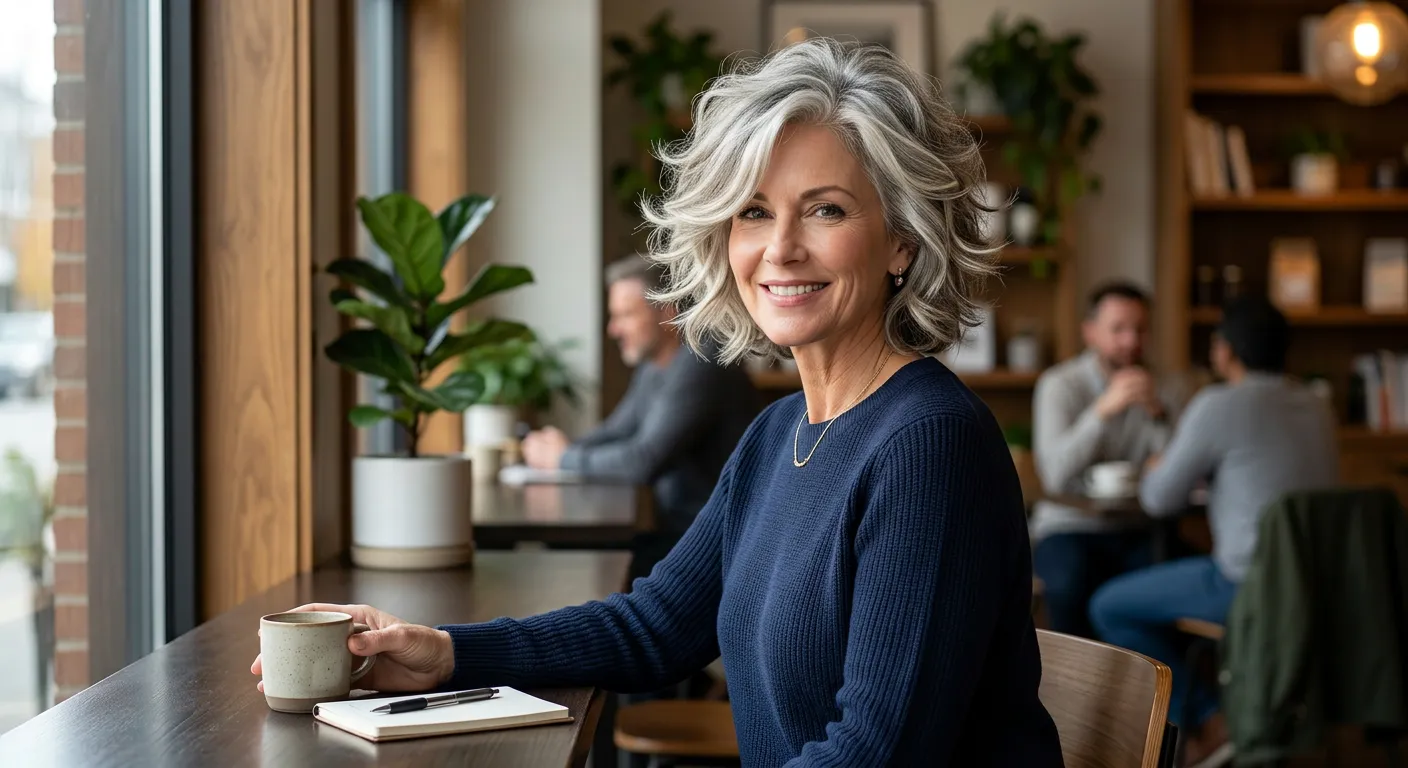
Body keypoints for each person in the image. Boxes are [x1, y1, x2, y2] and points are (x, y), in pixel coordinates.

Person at [252, 39, 1062, 765]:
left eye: (826, 209)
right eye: (752, 212)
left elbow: (876, 751)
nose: (779, 248)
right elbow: (654, 629)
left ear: (901, 241)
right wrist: (442, 651)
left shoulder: (929, 443)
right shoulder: (782, 431)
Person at [1089, 297, 1338, 764]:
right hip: (1322, 585)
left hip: (1249, 585)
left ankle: (1209, 718)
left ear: (1224, 351)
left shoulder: (1219, 403)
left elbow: (1158, 498)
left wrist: (1159, 466)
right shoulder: (1317, 403)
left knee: (1109, 606)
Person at [520, 254, 759, 580]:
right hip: (673, 527)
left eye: (626, 315)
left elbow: (643, 460)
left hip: (707, 543)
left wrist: (564, 458)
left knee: (565, 556)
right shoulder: (655, 363)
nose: (613, 329)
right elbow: (617, 430)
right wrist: (557, 448)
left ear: (666, 312)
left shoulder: (702, 361)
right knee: (559, 550)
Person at [1031, 283, 1184, 637]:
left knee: (1168, 582)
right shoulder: (1060, 385)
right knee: (1069, 581)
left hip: (1138, 527)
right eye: (1118, 329)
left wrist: (1157, 415)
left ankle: (1150, 688)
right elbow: (1054, 475)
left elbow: (1176, 472)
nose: (1131, 341)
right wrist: (1101, 412)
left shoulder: (1168, 387)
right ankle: (1076, 688)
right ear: (1091, 333)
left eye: (1140, 329)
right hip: (1069, 527)